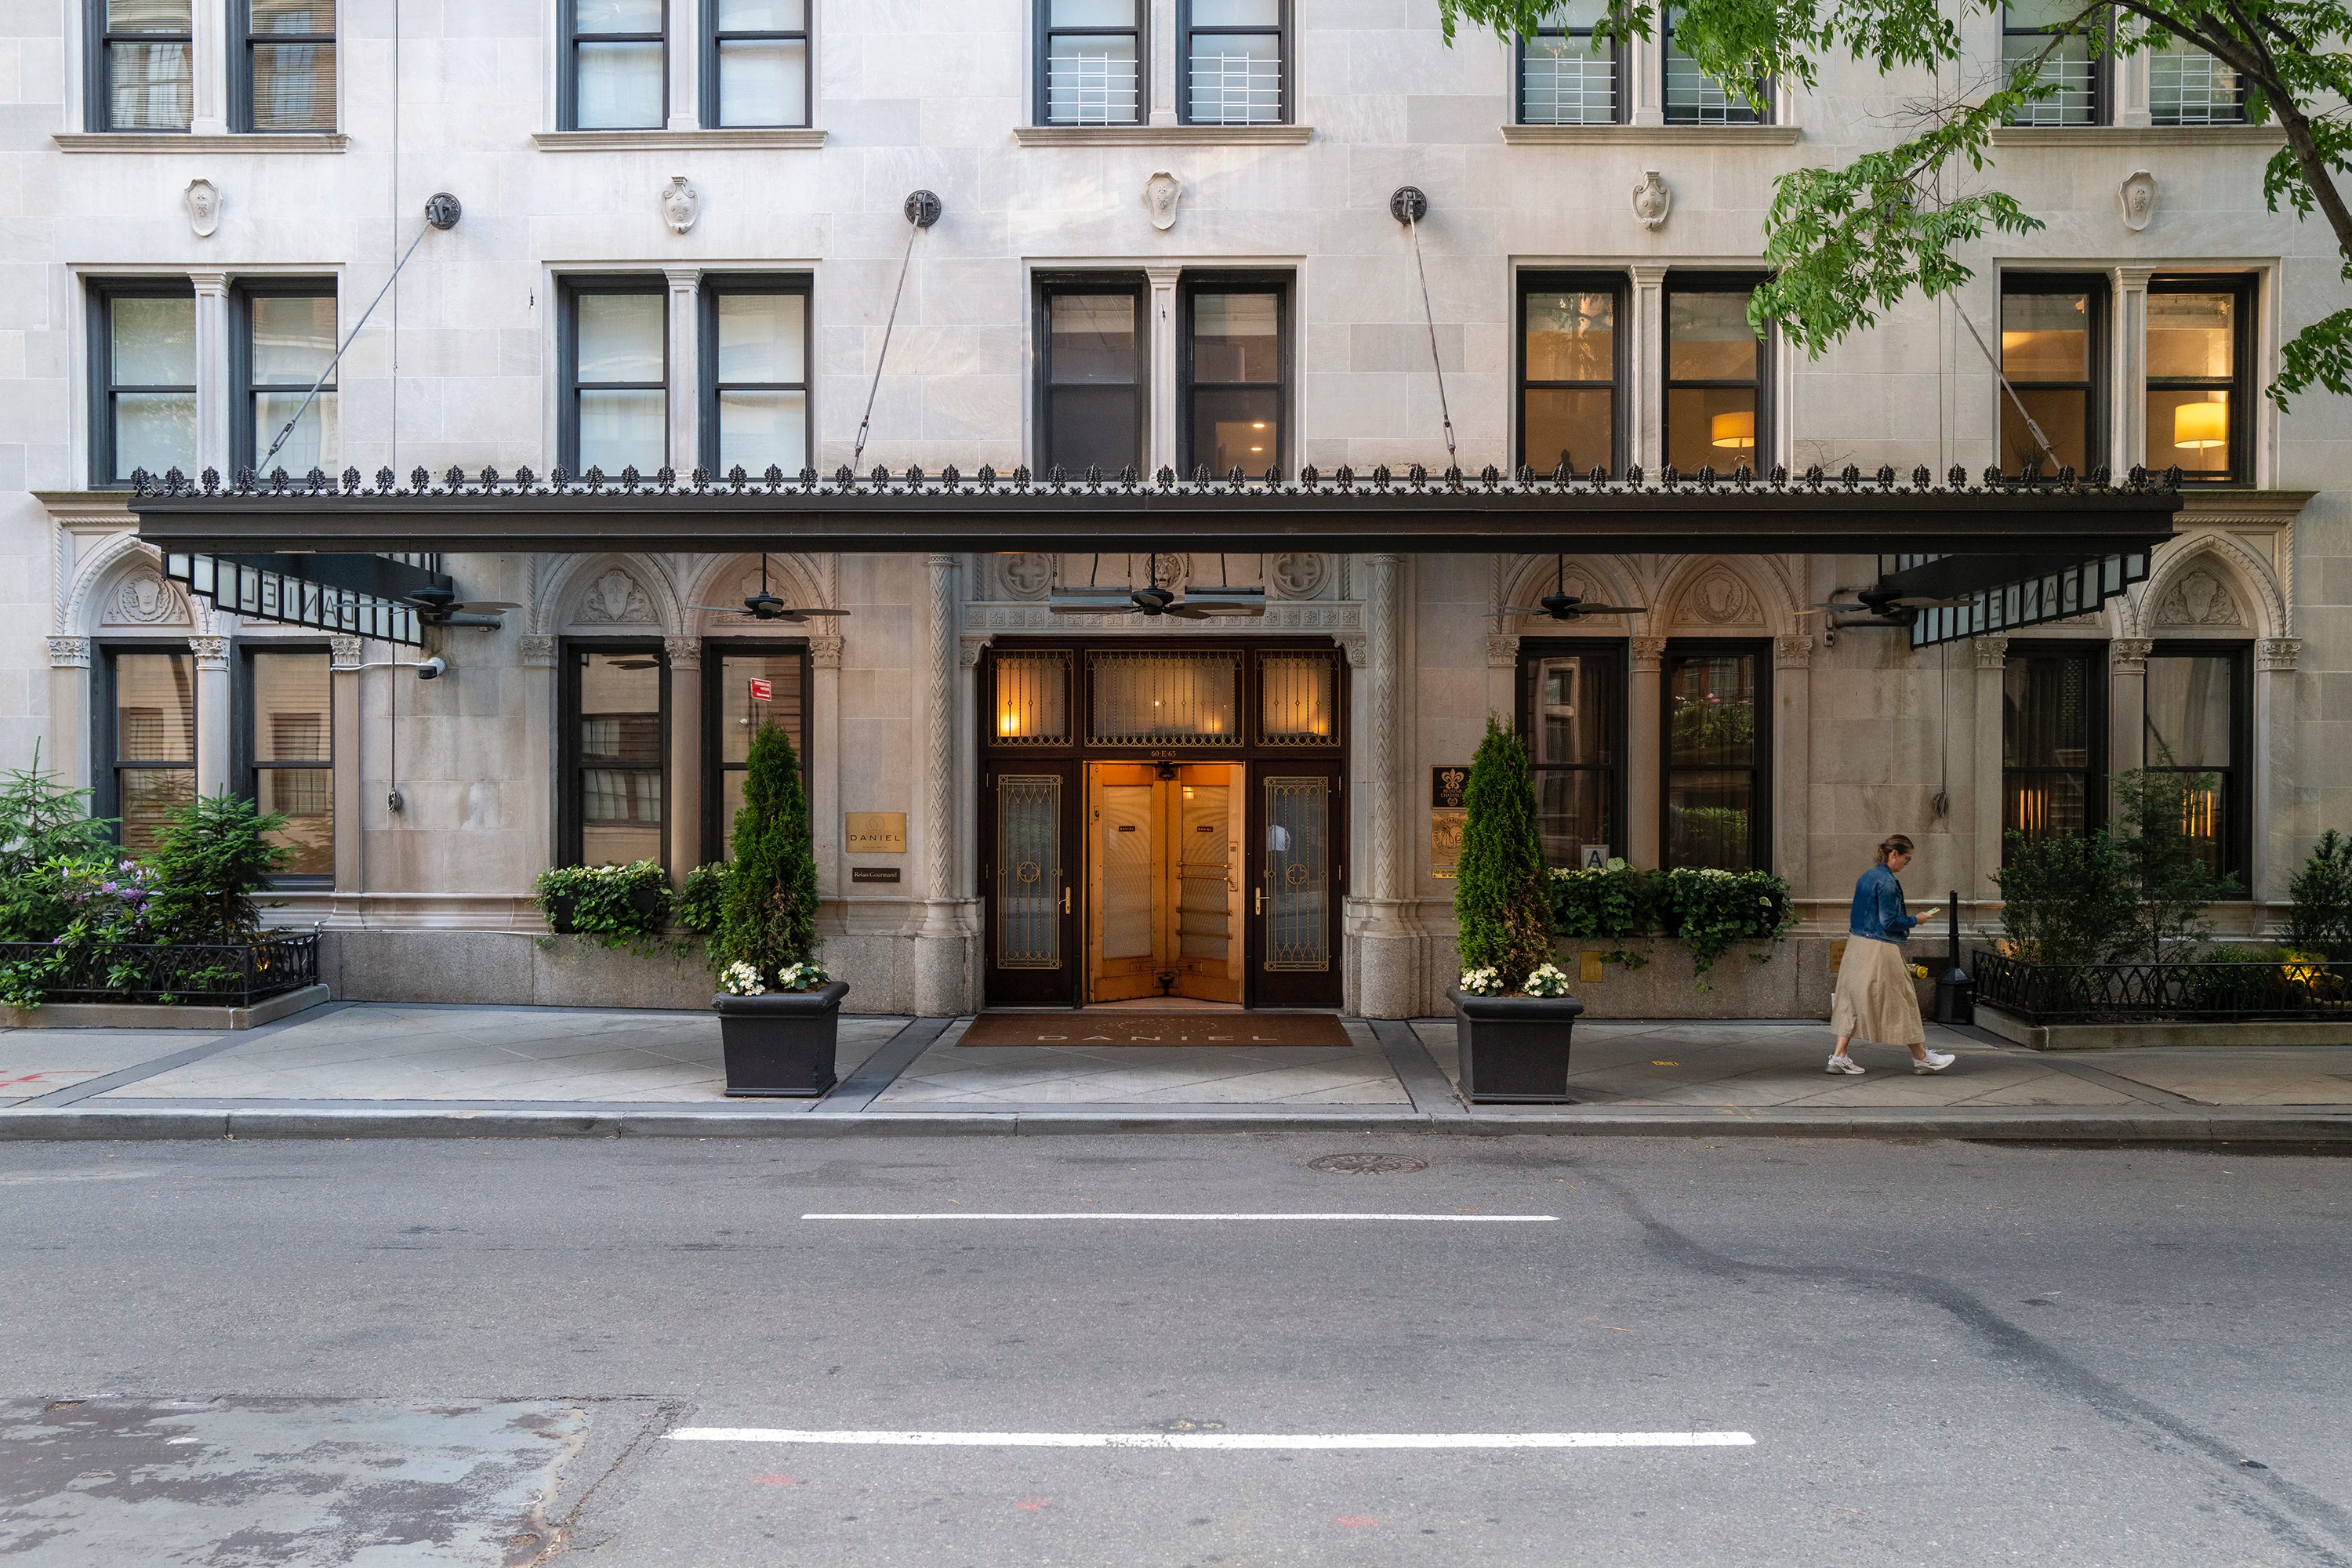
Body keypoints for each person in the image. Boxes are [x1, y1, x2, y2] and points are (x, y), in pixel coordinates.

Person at [1827, 834, 1955, 1076]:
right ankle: (1922, 1058)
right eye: (1907, 858)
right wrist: (1915, 920)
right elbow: (1889, 921)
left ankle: (1839, 1057)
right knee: (1901, 998)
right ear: (1894, 854)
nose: (1908, 864)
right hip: (1880, 947)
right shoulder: (1887, 882)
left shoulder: (1867, 876)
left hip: (1857, 944)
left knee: (1851, 1000)